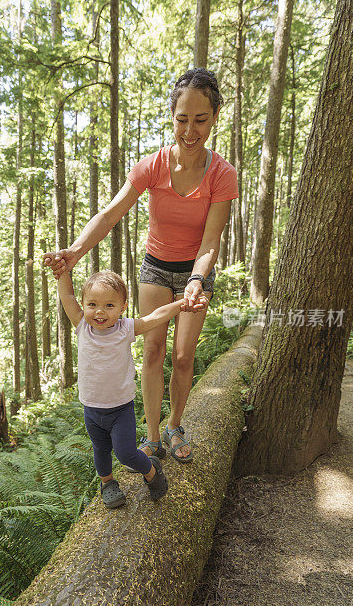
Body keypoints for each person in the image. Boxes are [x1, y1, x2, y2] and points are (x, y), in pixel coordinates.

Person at [45, 68, 238, 464]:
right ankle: (151, 436)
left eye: (200, 120)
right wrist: (75, 252)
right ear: (172, 116)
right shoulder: (151, 166)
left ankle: (174, 426)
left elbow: (211, 240)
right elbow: (109, 214)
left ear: (215, 116)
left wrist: (198, 280)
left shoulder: (222, 175)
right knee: (152, 349)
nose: (190, 130)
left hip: (195, 271)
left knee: (183, 355)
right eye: (182, 119)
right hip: (155, 265)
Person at [55, 268, 205, 508]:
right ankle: (107, 483)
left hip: (120, 409)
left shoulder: (125, 328)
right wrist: (62, 271)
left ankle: (152, 472)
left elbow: (155, 316)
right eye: (92, 304)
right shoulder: (83, 326)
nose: (100, 312)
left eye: (109, 306)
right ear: (83, 305)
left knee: (125, 453)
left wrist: (181, 305)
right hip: (92, 409)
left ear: (123, 307)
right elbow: (67, 297)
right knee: (100, 450)